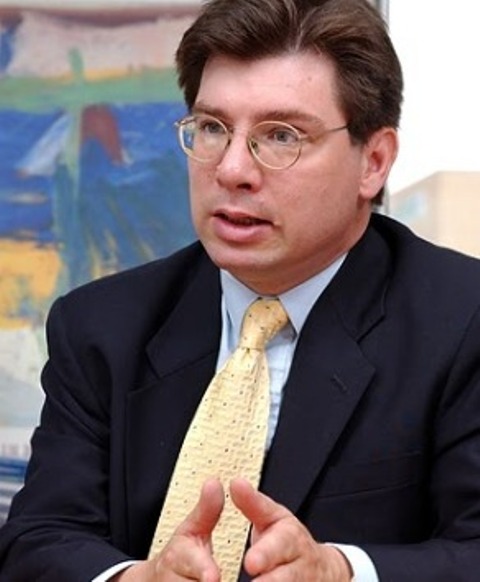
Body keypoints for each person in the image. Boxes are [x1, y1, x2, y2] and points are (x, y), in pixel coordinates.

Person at [1, 0, 480, 580]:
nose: (231, 170)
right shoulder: (100, 326)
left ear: (373, 162)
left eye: (280, 136)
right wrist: (135, 578)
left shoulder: (462, 321)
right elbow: (38, 540)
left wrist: (343, 572)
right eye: (212, 128)